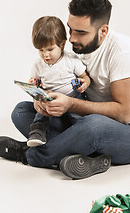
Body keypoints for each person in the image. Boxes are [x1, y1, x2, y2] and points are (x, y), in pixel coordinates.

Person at [0, 0, 130, 180]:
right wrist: (44, 100)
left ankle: (30, 154)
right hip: (81, 121)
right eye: (70, 29)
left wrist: (71, 104)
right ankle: (89, 159)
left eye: (80, 32)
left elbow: (124, 114)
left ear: (103, 31)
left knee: (93, 125)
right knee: (22, 111)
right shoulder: (78, 48)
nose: (71, 38)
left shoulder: (124, 52)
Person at [26, 16, 90, 147]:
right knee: (39, 114)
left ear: (62, 44)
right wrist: (33, 88)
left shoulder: (71, 60)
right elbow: (35, 81)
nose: (46, 55)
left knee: (79, 118)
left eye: (50, 49)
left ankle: (80, 137)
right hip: (50, 103)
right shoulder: (38, 65)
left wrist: (85, 83)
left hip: (72, 99)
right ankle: (38, 133)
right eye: (41, 50)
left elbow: (85, 77)